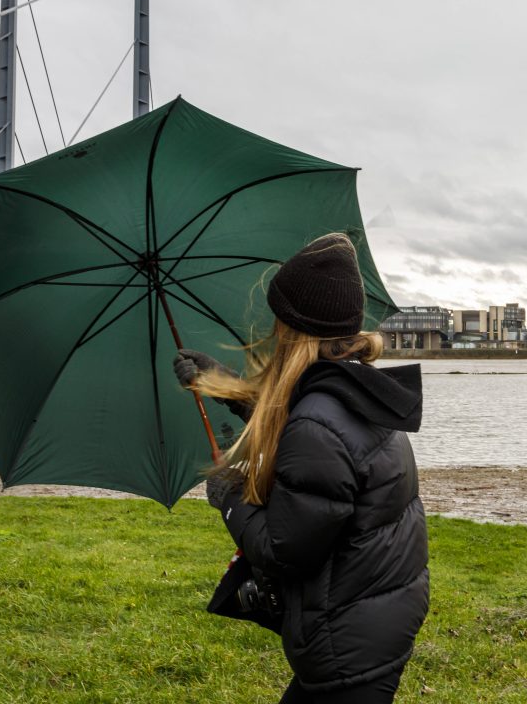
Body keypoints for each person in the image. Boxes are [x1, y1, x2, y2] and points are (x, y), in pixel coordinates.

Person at [172, 233, 429, 704]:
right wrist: (224, 387)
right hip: (375, 617)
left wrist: (229, 496)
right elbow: (306, 430)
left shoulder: (318, 421)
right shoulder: (357, 388)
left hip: (348, 641)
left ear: (292, 328)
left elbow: (283, 549)